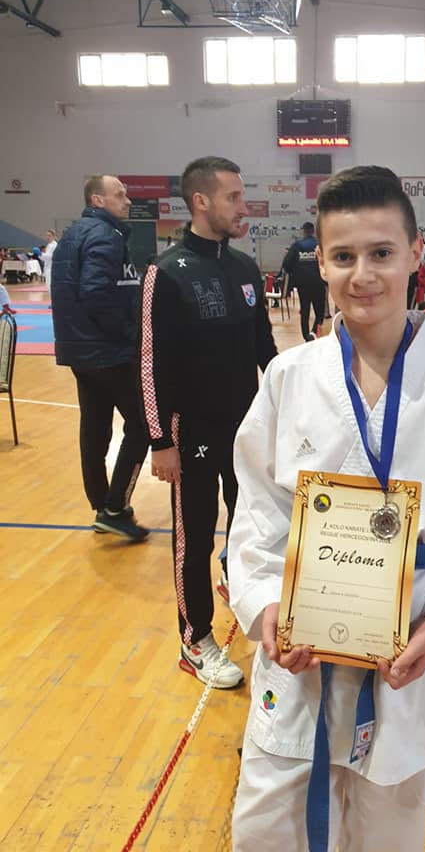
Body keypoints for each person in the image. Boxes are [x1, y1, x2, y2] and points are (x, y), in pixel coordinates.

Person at [227, 165, 425, 852]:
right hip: (301, 648)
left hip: (409, 645)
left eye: (381, 253)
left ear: (416, 253)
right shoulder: (289, 377)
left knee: (389, 827)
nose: (362, 275)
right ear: (320, 262)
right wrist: (266, 605)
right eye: (343, 256)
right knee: (269, 830)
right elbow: (259, 511)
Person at [139, 156, 277, 689]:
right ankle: (195, 639)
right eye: (234, 197)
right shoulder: (166, 272)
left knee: (252, 525)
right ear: (201, 201)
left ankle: (240, 589)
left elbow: (265, 347)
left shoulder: (244, 268)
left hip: (246, 431)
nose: (244, 207)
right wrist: (160, 441)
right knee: (192, 542)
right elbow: (150, 362)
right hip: (191, 433)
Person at [51, 175, 148, 540]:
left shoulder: (73, 235)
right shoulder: (105, 236)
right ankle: (115, 507)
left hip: (80, 351)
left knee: (94, 428)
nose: (128, 200)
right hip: (107, 350)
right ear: (97, 200)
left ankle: (101, 504)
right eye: (119, 194)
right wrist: (130, 335)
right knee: (143, 425)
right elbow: (95, 293)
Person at [282, 222, 327, 342]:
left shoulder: (297, 246)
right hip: (318, 282)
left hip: (302, 284)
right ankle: (314, 332)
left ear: (304, 231)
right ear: (313, 231)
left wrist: (296, 273)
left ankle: (306, 336)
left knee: (305, 310)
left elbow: (286, 264)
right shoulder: (320, 246)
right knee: (319, 312)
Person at [41, 229, 58, 297]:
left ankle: (54, 301)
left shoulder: (52, 245)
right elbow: (46, 258)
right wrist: (40, 255)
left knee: (50, 286)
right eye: (46, 235)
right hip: (50, 267)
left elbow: (49, 257)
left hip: (51, 268)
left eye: (49, 235)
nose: (47, 237)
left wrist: (40, 254)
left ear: (54, 236)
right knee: (50, 286)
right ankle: (54, 301)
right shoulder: (50, 244)